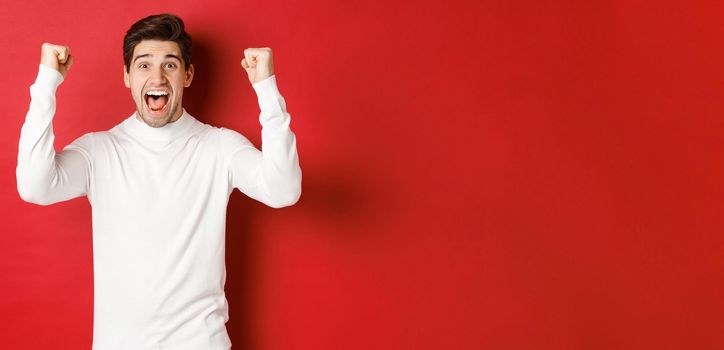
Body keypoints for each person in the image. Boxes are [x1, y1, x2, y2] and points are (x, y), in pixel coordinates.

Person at [16, 13, 301, 350]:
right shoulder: (99, 151)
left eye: (170, 65)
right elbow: (35, 185)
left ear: (188, 74)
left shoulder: (220, 147)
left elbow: (284, 189)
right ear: (127, 76)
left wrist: (266, 88)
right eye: (144, 65)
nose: (157, 77)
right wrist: (47, 80)